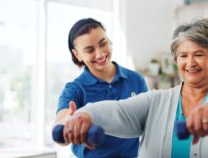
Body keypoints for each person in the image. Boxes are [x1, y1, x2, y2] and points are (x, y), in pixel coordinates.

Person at [62, 18, 208, 158]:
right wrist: (86, 115)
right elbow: (118, 110)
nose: (190, 62)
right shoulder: (156, 101)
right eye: (183, 55)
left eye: (199, 54)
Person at [53, 18, 148, 158]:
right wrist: (68, 122)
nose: (100, 54)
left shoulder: (136, 79)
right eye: (90, 50)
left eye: (103, 43)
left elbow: (148, 121)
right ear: (77, 54)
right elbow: (61, 122)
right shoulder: (74, 89)